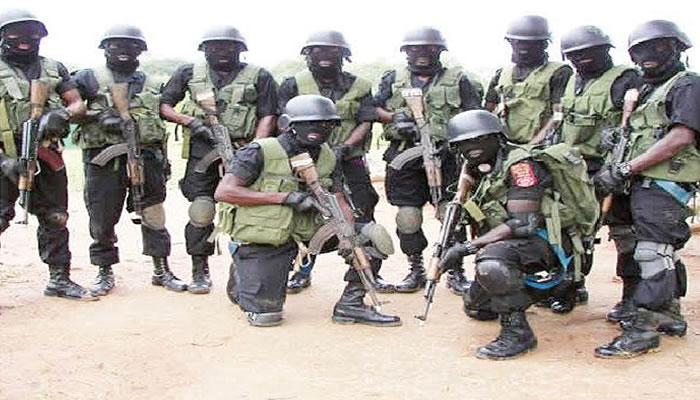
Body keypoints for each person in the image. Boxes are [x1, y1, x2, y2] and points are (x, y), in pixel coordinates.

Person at [214, 94, 400, 327]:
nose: (319, 129)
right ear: (287, 124)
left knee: (373, 237)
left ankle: (351, 305)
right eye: (310, 123)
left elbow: (339, 198)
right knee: (266, 318)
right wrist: (285, 198)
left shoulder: (328, 155)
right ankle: (242, 271)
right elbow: (225, 192)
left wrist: (348, 235)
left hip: (309, 230)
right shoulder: (260, 151)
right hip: (267, 235)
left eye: (327, 124)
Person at [439, 109, 598, 359]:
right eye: (463, 143)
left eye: (480, 139)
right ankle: (531, 292)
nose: (472, 147)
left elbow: (523, 224)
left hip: (546, 241)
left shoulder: (521, 166)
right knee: (477, 308)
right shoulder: (480, 169)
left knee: (491, 264)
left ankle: (517, 332)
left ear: (497, 137)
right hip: (514, 245)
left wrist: (467, 248)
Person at [594, 20, 699, 358]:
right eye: (639, 50)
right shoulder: (646, 89)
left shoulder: (687, 85)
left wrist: (627, 168)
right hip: (639, 183)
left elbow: (681, 136)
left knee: (654, 254)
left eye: (658, 47)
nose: (647, 55)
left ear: (676, 48)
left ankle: (643, 330)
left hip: (665, 183)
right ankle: (669, 316)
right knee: (656, 251)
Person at [159, 26, 278, 294]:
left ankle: (245, 272)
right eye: (215, 46)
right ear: (204, 49)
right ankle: (199, 270)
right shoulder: (188, 73)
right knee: (201, 211)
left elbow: (269, 114)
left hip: (244, 148)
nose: (222, 51)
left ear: (240, 50)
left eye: (229, 46)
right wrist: (190, 122)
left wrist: (256, 148)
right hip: (202, 150)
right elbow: (164, 106)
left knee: (248, 212)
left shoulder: (259, 75)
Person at [71, 25, 184, 295]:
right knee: (102, 216)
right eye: (116, 45)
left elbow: (159, 124)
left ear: (141, 50)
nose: (124, 50)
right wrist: (98, 117)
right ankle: (104, 271)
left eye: (132, 45)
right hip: (103, 159)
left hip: (147, 156)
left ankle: (161, 268)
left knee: (153, 213)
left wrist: (164, 162)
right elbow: (67, 109)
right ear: (105, 48)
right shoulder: (88, 78)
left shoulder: (152, 83)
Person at [278, 30, 391, 293]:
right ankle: (302, 271)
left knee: (362, 210)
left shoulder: (360, 85)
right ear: (307, 55)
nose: (325, 55)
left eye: (332, 50)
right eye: (317, 50)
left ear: (344, 55)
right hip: (306, 160)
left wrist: (345, 147)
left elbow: (366, 120)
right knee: (306, 213)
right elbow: (282, 122)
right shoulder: (293, 84)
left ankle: (367, 273)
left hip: (350, 159)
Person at [374, 26, 481, 295]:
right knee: (407, 217)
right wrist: (396, 118)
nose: (422, 54)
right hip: (404, 157)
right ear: (406, 52)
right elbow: (372, 109)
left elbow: (474, 114)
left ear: (440, 51)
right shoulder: (393, 79)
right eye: (415, 49)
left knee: (451, 214)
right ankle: (416, 269)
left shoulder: (458, 79)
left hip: (447, 157)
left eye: (429, 48)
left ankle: (454, 270)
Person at [0, 9, 95, 300]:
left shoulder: (54, 68)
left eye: (32, 34)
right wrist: (5, 162)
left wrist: (61, 115)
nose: (25, 40)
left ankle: (59, 279)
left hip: (46, 152)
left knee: (55, 217)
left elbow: (77, 104)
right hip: (4, 153)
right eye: (16, 33)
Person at [545, 25, 640, 313]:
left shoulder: (626, 79)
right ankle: (573, 285)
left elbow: (636, 126)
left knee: (624, 234)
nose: (581, 59)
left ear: (605, 50)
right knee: (571, 231)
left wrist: (619, 168)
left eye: (589, 53)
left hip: (612, 168)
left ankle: (630, 296)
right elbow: (558, 119)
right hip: (573, 170)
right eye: (575, 55)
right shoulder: (570, 80)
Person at [484, 15, 572, 145]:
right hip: (505, 144)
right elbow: (487, 111)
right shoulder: (501, 74)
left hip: (542, 146)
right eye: (517, 42)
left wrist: (531, 146)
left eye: (531, 43)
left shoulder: (559, 72)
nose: (523, 48)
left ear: (544, 44)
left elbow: (558, 116)